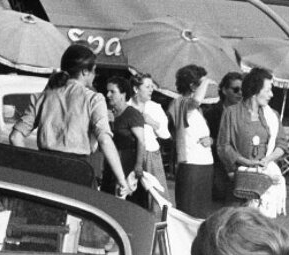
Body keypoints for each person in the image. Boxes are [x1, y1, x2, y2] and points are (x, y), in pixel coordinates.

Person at [9, 44, 127, 194]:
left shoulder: (43, 96)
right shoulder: (94, 99)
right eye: (94, 71)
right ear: (85, 71)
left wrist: (29, 167)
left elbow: (15, 137)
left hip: (43, 171)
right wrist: (122, 180)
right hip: (77, 173)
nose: (95, 75)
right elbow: (104, 140)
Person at [217, 67, 287, 218]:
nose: (271, 94)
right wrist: (245, 162)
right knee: (236, 225)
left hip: (265, 180)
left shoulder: (272, 116)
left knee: (261, 229)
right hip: (239, 180)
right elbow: (224, 146)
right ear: (255, 90)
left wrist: (267, 160)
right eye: (268, 90)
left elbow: (282, 145)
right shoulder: (232, 113)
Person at [169, 64, 216, 217]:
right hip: (191, 165)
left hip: (205, 164)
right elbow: (195, 101)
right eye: (201, 83)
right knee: (188, 213)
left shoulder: (197, 110)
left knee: (201, 215)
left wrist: (211, 140)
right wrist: (207, 81)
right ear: (192, 85)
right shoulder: (180, 103)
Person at [102, 75, 146, 206]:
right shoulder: (108, 113)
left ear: (123, 94)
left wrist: (138, 165)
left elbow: (141, 141)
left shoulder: (132, 114)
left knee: (123, 199)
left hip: (126, 162)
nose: (108, 94)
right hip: (111, 162)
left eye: (112, 91)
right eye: (107, 91)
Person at [204, 71, 243, 204]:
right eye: (236, 89)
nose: (240, 93)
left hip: (238, 165)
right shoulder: (211, 113)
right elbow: (205, 138)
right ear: (225, 91)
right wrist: (215, 141)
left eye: (242, 90)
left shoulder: (244, 114)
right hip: (217, 166)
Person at [133, 73, 171, 191]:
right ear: (136, 89)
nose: (151, 90)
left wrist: (152, 122)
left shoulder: (155, 107)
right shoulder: (127, 106)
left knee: (156, 193)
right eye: (147, 87)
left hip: (150, 155)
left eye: (152, 86)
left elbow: (166, 134)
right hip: (130, 154)